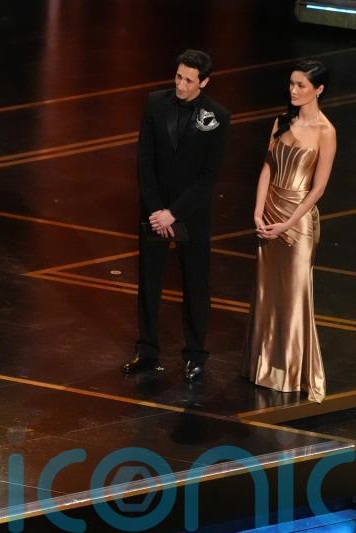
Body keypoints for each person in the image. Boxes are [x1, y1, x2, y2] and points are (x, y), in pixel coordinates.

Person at [121, 49, 231, 382]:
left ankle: (196, 355)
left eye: (188, 79)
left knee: (195, 283)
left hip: (190, 214)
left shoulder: (218, 116)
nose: (180, 84)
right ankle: (147, 350)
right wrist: (156, 210)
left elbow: (209, 176)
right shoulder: (155, 103)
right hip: (155, 212)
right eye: (178, 76)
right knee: (149, 281)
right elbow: (145, 160)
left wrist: (174, 213)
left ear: (204, 82)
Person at [243, 60, 336, 403]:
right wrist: (257, 211)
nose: (293, 90)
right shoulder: (281, 121)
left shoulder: (326, 131)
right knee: (268, 292)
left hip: (298, 221)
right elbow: (267, 168)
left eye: (301, 85)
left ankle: (294, 373)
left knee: (296, 295)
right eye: (292, 84)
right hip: (270, 214)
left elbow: (318, 189)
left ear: (319, 89)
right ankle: (264, 368)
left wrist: (287, 222)